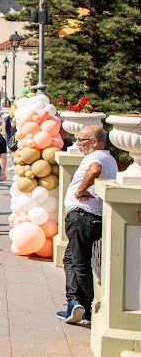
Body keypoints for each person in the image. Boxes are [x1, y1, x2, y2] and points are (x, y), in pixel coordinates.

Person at [58, 126, 118, 326]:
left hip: (82, 216)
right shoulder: (109, 158)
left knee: (78, 260)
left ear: (95, 142)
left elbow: (94, 170)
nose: (78, 144)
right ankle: (74, 303)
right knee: (72, 258)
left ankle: (82, 306)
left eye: (82, 140)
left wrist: (80, 190)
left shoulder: (98, 157)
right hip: (88, 217)